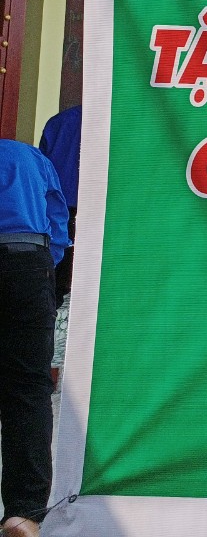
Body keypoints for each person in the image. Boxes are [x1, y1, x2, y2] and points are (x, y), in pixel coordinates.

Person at [0, 139, 71, 537]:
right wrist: (47, 267)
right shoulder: (27, 156)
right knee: (28, 388)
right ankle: (23, 513)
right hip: (28, 264)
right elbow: (58, 219)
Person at [38, 106, 80, 387]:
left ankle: (48, 369)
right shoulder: (119, 118)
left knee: (53, 294)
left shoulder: (59, 122)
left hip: (59, 213)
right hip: (100, 212)